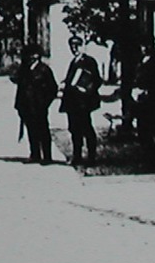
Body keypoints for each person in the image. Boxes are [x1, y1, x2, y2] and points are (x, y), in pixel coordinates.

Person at [59, 35, 103, 166]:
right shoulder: (74, 62)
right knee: (74, 130)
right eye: (72, 46)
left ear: (83, 46)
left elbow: (97, 80)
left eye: (77, 45)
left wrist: (87, 89)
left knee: (87, 129)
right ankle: (77, 156)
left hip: (84, 102)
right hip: (73, 102)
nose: (75, 48)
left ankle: (91, 157)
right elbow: (71, 81)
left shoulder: (89, 61)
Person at [12, 43, 58, 165]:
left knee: (43, 131)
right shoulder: (24, 69)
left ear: (37, 56)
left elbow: (53, 89)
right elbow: (16, 80)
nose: (29, 58)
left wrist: (45, 103)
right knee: (31, 131)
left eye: (31, 55)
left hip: (39, 106)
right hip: (26, 106)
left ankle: (47, 156)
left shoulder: (44, 70)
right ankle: (35, 154)